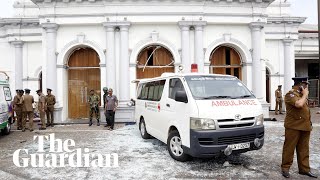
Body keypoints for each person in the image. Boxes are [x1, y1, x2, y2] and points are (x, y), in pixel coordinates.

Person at [281, 77, 318, 178]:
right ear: (300, 85)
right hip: (293, 127)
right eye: (305, 85)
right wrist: (305, 95)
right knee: (289, 148)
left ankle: (304, 169)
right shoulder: (290, 94)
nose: (306, 87)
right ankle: (285, 168)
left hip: (305, 126)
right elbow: (299, 105)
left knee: (304, 149)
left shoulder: (301, 95)